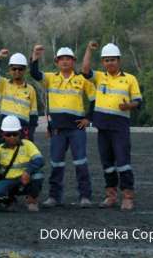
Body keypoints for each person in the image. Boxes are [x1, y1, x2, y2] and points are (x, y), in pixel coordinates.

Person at [30, 45, 96, 208]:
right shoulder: (51, 78)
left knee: (81, 162)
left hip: (76, 129)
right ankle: (54, 197)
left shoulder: (82, 79)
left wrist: (88, 118)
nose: (65, 61)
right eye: (61, 59)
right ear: (56, 62)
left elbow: (95, 99)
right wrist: (35, 57)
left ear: (73, 61)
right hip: (57, 129)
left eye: (68, 59)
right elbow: (34, 74)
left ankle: (85, 196)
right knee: (56, 163)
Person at [82, 41, 142, 211]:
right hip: (103, 127)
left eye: (113, 60)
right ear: (103, 62)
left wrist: (128, 106)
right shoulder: (100, 77)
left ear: (119, 60)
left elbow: (138, 101)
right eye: (106, 60)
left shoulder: (130, 79)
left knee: (123, 162)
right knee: (107, 163)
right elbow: (85, 70)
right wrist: (88, 50)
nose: (110, 63)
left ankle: (128, 196)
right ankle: (111, 196)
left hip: (120, 126)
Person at [0, 115, 44, 212]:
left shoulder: (27, 144)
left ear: (20, 133)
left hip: (25, 179)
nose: (12, 137)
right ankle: (10, 201)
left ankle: (32, 201)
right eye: (8, 134)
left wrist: (28, 171)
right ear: (3, 135)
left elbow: (39, 160)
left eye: (15, 134)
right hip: (8, 181)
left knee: (38, 175)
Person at [0, 50, 39, 140]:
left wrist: (30, 133)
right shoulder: (3, 84)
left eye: (20, 69)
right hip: (5, 129)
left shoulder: (30, 89)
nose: (17, 71)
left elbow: (33, 114)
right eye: (14, 69)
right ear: (9, 70)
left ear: (25, 70)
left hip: (23, 130)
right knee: (3, 154)